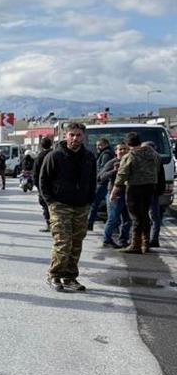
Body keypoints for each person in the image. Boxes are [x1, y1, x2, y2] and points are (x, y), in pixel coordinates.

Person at [39, 122, 97, 292]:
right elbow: (43, 180)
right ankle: (54, 275)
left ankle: (70, 277)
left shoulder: (89, 157)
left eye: (78, 135)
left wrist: (89, 200)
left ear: (83, 137)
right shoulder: (55, 156)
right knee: (63, 242)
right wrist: (51, 202)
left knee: (76, 243)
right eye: (72, 135)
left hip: (81, 206)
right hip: (60, 205)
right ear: (65, 136)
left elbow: (93, 180)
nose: (75, 138)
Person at [111, 133, 161, 254]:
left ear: (127, 144)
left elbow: (122, 174)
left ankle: (135, 245)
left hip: (134, 187)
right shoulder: (153, 153)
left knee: (136, 217)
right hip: (150, 186)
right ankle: (145, 243)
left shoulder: (130, 156)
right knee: (145, 214)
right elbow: (158, 168)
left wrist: (114, 191)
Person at [99, 143, 131, 249]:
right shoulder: (112, 162)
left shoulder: (131, 161)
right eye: (120, 149)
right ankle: (106, 240)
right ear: (116, 151)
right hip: (115, 194)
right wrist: (114, 171)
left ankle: (123, 240)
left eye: (125, 149)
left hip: (128, 194)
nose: (123, 151)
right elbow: (101, 177)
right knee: (113, 218)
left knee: (127, 219)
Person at [87, 138, 114, 231]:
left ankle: (89, 224)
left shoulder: (106, 154)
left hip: (103, 182)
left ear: (106, 144)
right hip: (104, 182)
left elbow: (103, 169)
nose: (97, 147)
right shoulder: (105, 153)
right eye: (97, 145)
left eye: (100, 145)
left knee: (95, 204)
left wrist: (98, 177)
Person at [144, 141, 166, 248]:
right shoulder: (158, 158)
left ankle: (150, 239)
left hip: (148, 191)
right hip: (154, 192)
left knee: (149, 217)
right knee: (154, 217)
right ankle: (153, 239)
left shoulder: (150, 159)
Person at [34, 137, 54, 232]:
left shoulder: (40, 157)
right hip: (55, 185)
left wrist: (37, 185)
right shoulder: (55, 154)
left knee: (46, 205)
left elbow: (35, 173)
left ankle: (50, 225)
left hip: (43, 185)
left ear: (41, 146)